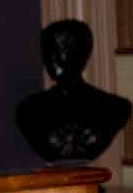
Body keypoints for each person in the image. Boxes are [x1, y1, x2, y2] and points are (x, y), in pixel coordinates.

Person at [16, 19, 132, 164]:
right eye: (48, 52)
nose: (50, 60)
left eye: (60, 51)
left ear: (81, 54)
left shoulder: (116, 108)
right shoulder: (29, 110)